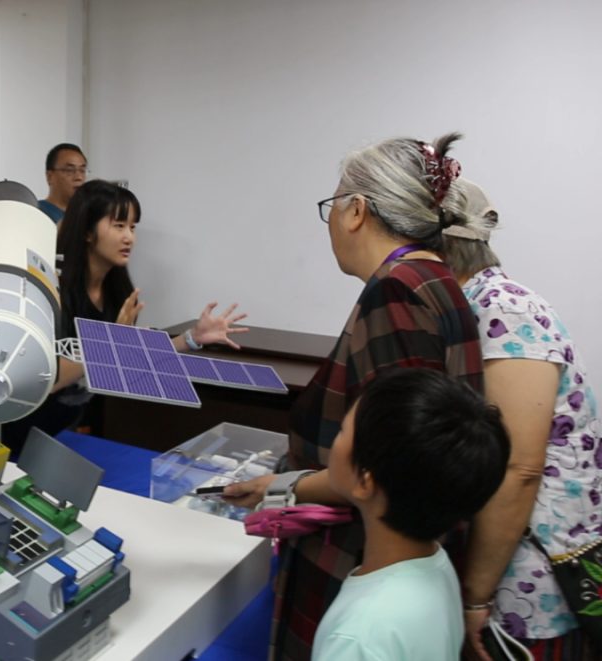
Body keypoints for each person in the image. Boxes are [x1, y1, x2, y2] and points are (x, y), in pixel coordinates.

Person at [222, 133, 484, 661]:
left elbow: (400, 460)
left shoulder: (397, 290)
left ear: (357, 211)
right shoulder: (436, 277)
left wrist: (284, 486)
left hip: (365, 555)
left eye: (333, 206)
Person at [0, 179, 247, 461]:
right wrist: (108, 344)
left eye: (133, 226)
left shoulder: (118, 292)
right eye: (118, 225)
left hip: (47, 430)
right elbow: (42, 380)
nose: (129, 237)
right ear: (87, 231)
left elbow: (129, 353)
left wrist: (191, 338)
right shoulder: (52, 291)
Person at [442, 181, 600, 661]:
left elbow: (520, 467)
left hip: (535, 578)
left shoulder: (506, 310)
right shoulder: (469, 305)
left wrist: (474, 596)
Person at [312, 368, 509, 661]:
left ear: (366, 482)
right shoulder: (435, 566)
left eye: (343, 431)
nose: (335, 441)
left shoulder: (358, 637)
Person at [38, 143, 88, 224]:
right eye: (70, 170)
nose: (79, 177)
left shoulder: (88, 216)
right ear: (50, 176)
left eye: (82, 171)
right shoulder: (38, 212)